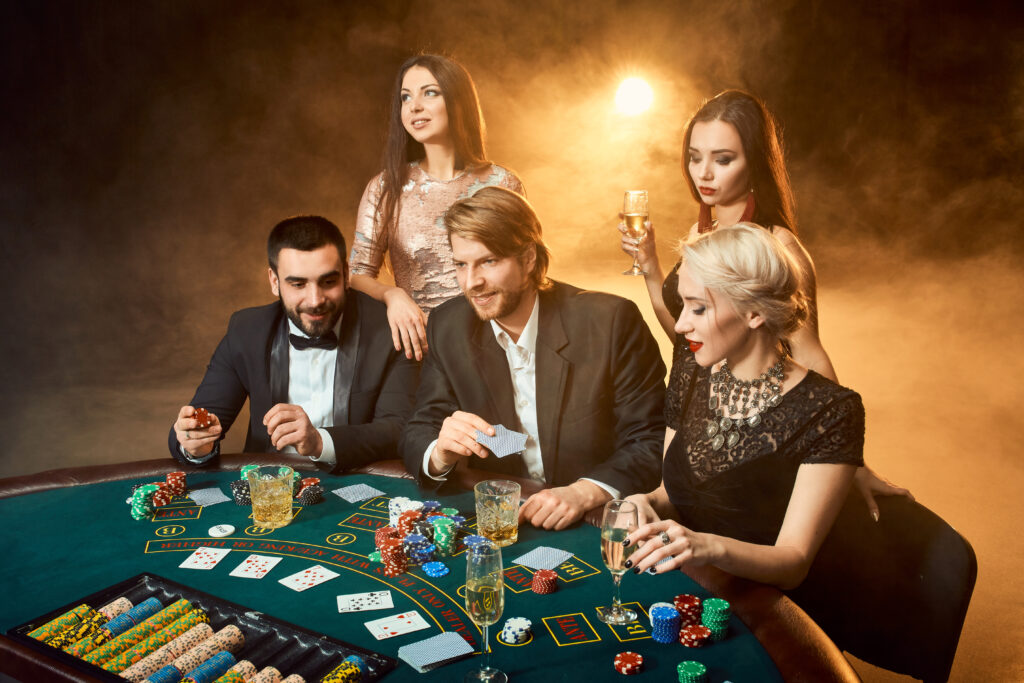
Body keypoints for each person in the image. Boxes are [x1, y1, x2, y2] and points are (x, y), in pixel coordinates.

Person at [620, 89, 910, 518]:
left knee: (719, 535)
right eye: (695, 157)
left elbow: (810, 354)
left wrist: (852, 461)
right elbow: (684, 335)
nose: (704, 173)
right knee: (669, 523)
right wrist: (650, 270)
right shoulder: (701, 233)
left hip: (744, 415)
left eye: (723, 159)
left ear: (753, 160)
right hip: (687, 396)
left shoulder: (779, 246)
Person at [400, 186, 666, 530]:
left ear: (528, 258)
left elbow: (651, 439)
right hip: (507, 521)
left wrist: (584, 492)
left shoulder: (611, 321)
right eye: (461, 264)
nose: (471, 282)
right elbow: (418, 428)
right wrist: (439, 452)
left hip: (594, 519)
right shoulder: (448, 326)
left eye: (489, 261)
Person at [622, 224, 861, 589]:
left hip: (773, 609)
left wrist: (708, 547)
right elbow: (673, 494)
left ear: (753, 314)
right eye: (682, 305)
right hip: (688, 582)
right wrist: (644, 500)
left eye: (698, 308)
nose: (682, 324)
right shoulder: (692, 369)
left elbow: (794, 562)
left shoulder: (832, 411)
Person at [169, 215, 419, 471]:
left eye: (328, 282)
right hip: (268, 487)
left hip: (355, 479)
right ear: (274, 282)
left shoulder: (390, 330)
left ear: (346, 274)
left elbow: (397, 430)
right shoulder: (247, 331)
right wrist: (195, 445)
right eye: (298, 284)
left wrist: (319, 442)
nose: (315, 300)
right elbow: (201, 420)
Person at [349, 53, 525, 362]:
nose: (414, 106)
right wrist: (393, 295)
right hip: (419, 351)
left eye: (429, 92)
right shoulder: (386, 187)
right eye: (406, 97)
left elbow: (525, 270)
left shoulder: (502, 182)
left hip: (492, 348)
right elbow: (357, 274)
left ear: (458, 101)